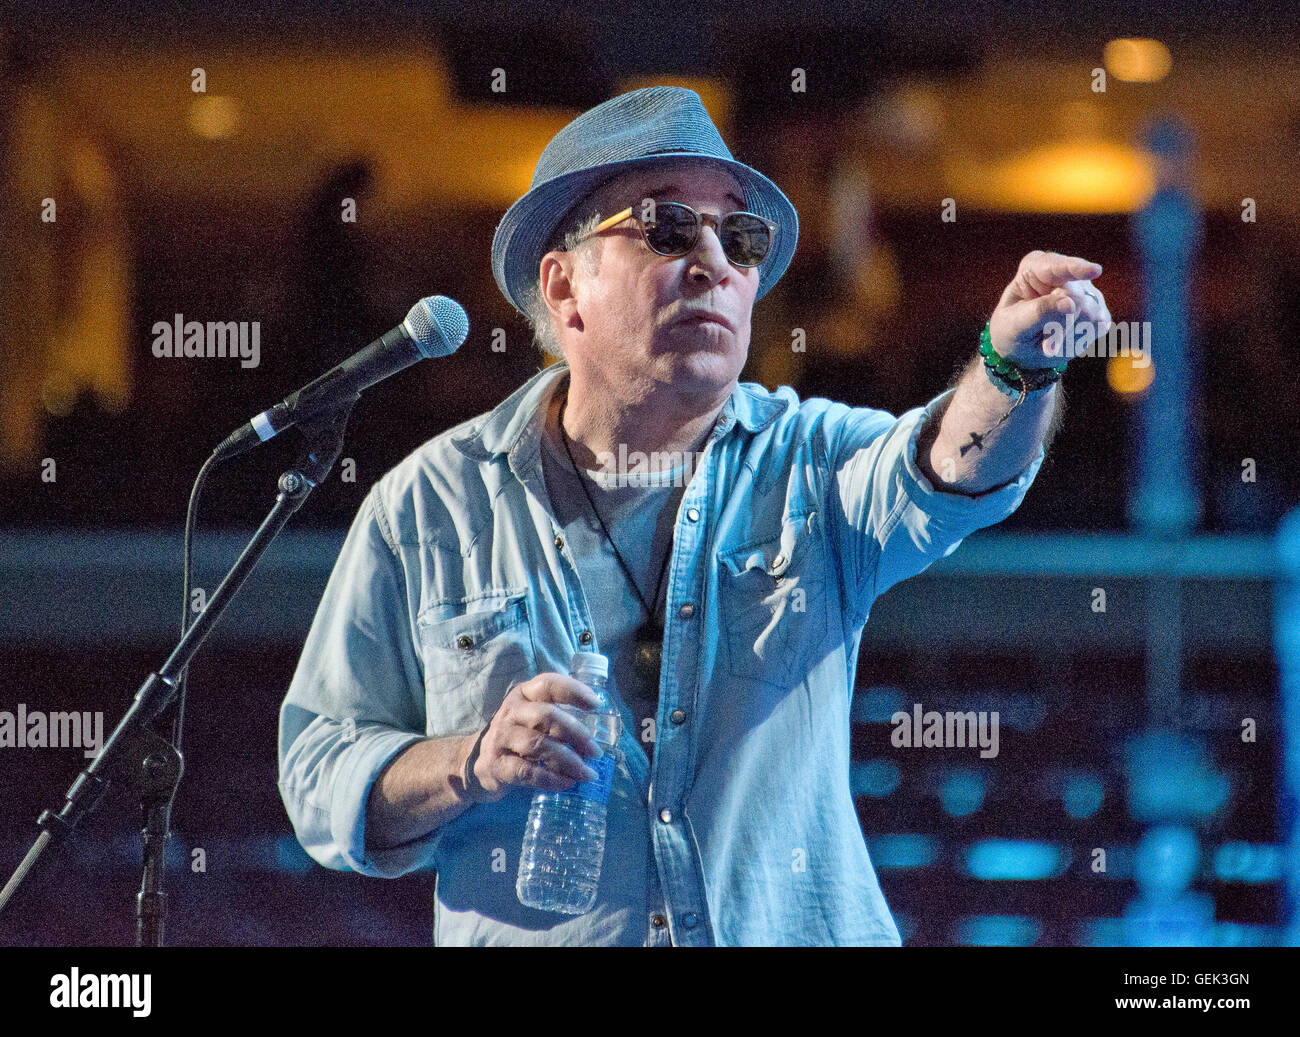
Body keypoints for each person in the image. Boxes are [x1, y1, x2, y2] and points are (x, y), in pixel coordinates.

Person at [277, 85, 1111, 946]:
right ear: (564, 287)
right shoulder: (430, 505)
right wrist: (474, 760)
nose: (714, 260)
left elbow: (948, 468)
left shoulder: (812, 461)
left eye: (739, 237)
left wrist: (1012, 366)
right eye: (667, 227)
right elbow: (318, 773)